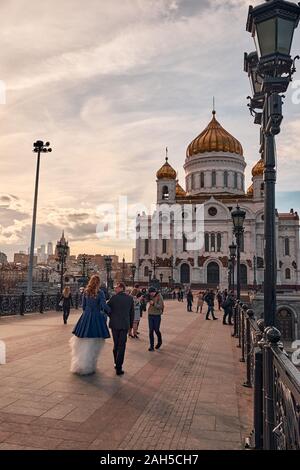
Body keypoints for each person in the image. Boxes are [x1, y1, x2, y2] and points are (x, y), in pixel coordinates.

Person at [70, 275, 110, 375]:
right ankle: (90, 366)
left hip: (85, 317)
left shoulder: (85, 292)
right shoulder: (100, 293)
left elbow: (83, 306)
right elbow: (103, 306)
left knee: (82, 341)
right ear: (98, 283)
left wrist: (87, 313)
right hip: (96, 317)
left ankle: (80, 365)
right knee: (94, 343)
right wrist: (111, 311)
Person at [107, 282, 134, 376]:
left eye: (116, 287)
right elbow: (132, 313)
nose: (115, 289)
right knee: (122, 346)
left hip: (114, 325)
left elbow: (107, 309)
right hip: (124, 325)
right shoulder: (130, 298)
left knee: (116, 345)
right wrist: (130, 326)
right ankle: (119, 367)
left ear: (121, 288)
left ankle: (116, 362)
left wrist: (111, 316)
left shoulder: (113, 298)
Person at [148, 287, 164, 351]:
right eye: (150, 293)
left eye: (152, 293)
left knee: (156, 330)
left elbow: (161, 306)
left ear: (155, 292)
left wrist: (154, 304)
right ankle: (151, 346)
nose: (151, 294)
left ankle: (159, 341)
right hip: (150, 315)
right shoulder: (149, 296)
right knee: (151, 330)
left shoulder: (159, 296)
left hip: (157, 315)